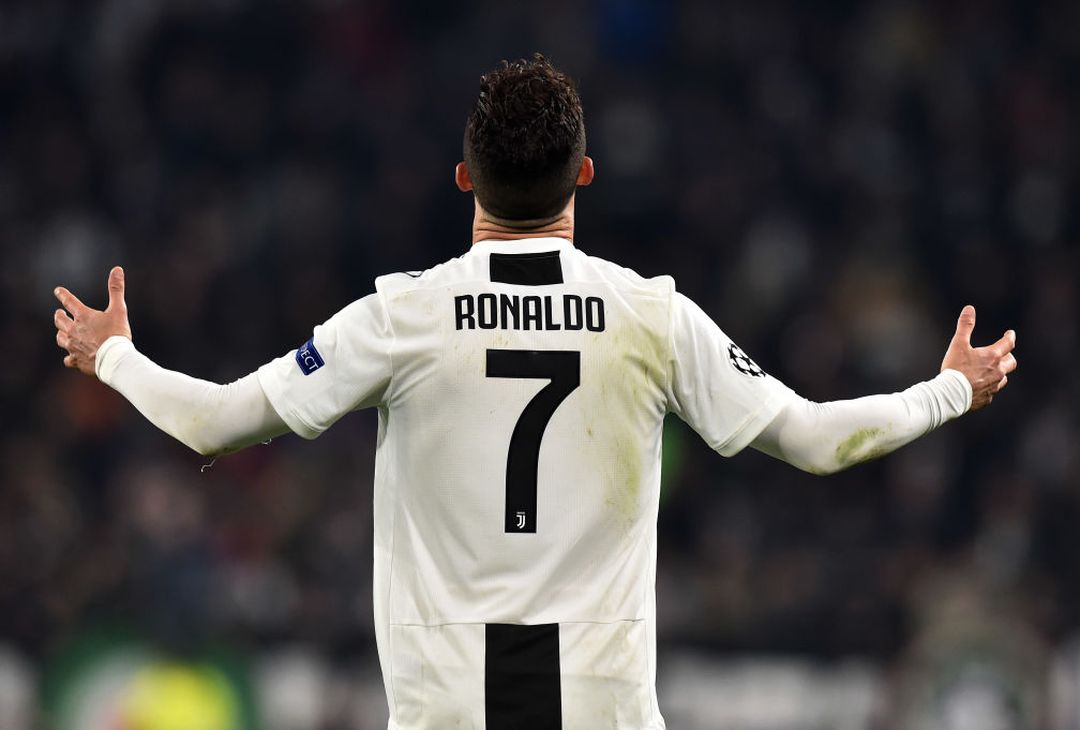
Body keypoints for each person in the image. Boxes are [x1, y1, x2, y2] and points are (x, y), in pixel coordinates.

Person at [52, 55, 1017, 730]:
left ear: (464, 177)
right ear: (584, 177)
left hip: (447, 707)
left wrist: (115, 358)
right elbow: (815, 439)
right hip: (601, 704)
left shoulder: (405, 316)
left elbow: (215, 423)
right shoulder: (650, 318)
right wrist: (946, 391)